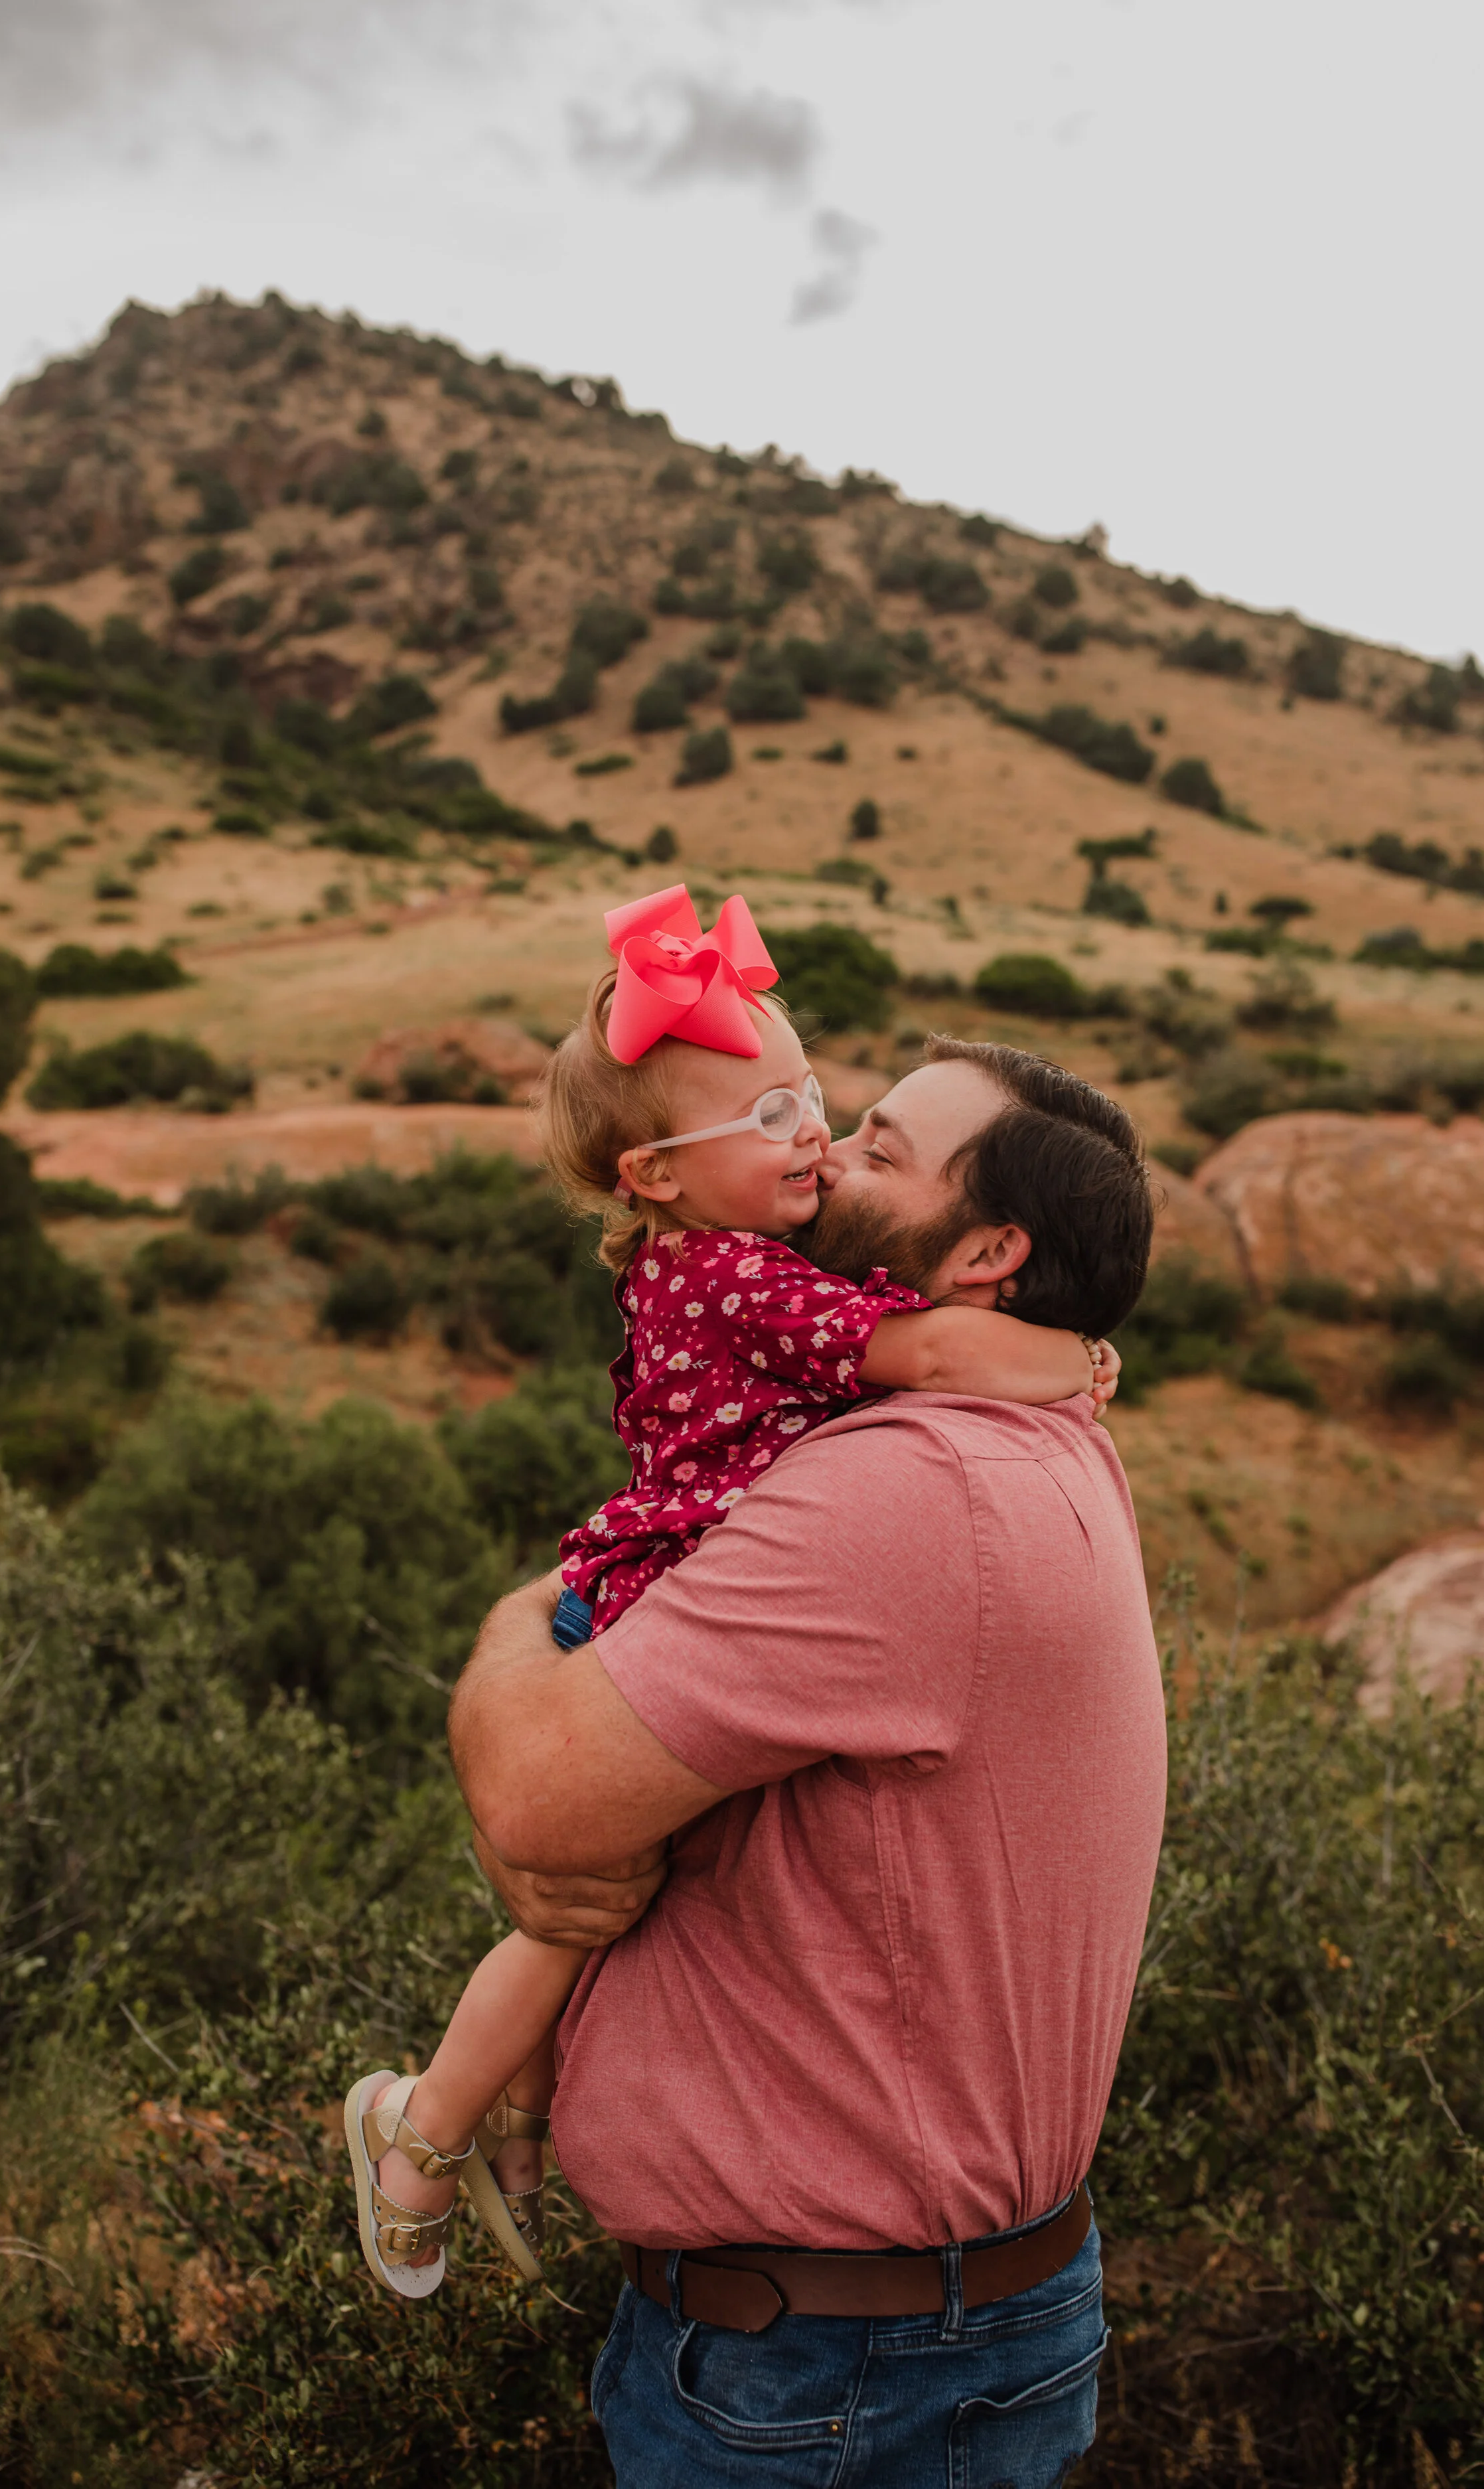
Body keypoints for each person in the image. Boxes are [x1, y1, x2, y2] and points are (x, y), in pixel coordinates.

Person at [342, 888, 1115, 2301]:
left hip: (835, 2332)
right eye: (782, 1121)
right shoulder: (744, 1282)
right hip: (646, 1587)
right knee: (572, 1905)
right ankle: (429, 2127)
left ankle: (493, 2122)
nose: (816, 1134)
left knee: (598, 1899)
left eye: (828, 1109)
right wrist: (1069, 1360)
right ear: (653, 1174)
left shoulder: (856, 1422)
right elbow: (932, 1355)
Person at [448, 997, 1168, 2486]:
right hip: (895, 2340)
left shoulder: (901, 1495)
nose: (827, 1154)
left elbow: (535, 1797)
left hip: (834, 2376)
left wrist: (522, 1626)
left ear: (979, 1261)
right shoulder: (1018, 1443)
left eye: (879, 1150)